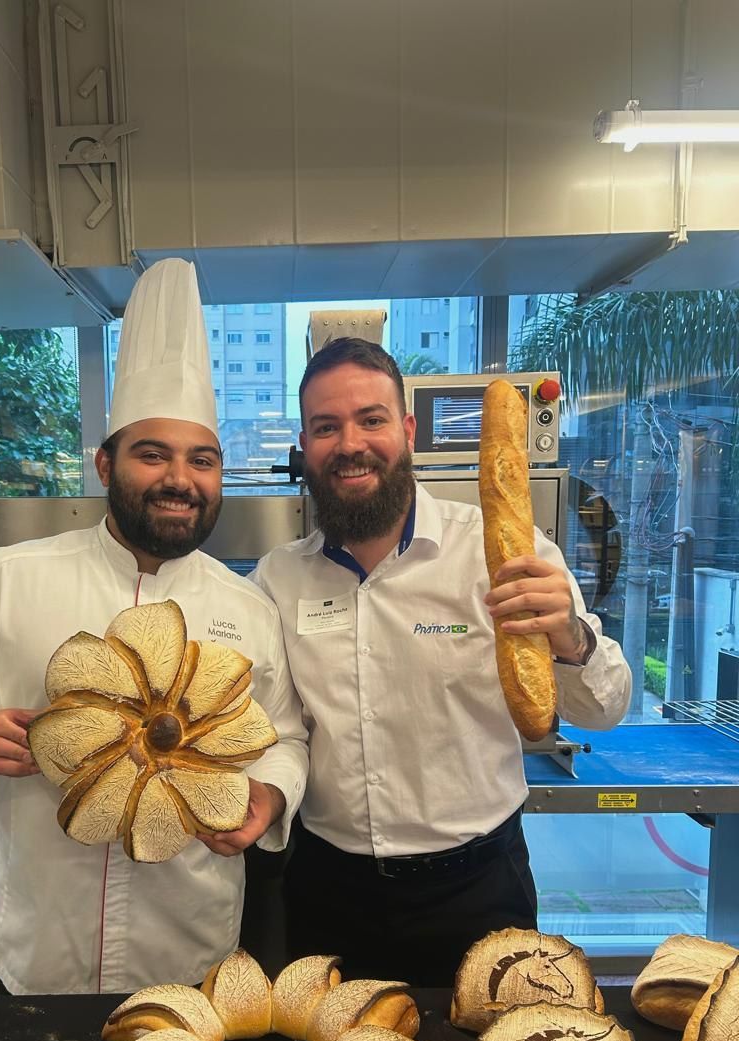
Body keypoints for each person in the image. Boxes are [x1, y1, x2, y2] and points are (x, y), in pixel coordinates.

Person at [0, 260, 307, 995]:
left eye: (202, 461)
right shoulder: (9, 576)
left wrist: (268, 798)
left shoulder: (247, 607)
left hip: (191, 948)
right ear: (106, 462)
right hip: (40, 944)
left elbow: (286, 734)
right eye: (153, 454)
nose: (180, 479)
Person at [251, 337, 632, 986]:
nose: (349, 444)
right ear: (306, 445)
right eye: (325, 427)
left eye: (371, 419)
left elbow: (605, 707)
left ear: (407, 430)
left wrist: (569, 636)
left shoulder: (500, 551)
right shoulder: (278, 579)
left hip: (477, 888)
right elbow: (276, 730)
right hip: (327, 889)